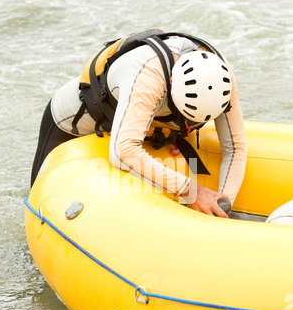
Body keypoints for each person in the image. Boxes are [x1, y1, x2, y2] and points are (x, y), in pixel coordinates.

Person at [31, 29, 247, 218]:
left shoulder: (222, 77)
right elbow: (122, 151)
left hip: (146, 124)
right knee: (39, 202)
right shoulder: (148, 75)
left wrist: (223, 204)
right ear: (171, 83)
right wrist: (192, 191)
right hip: (72, 122)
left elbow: (236, 147)